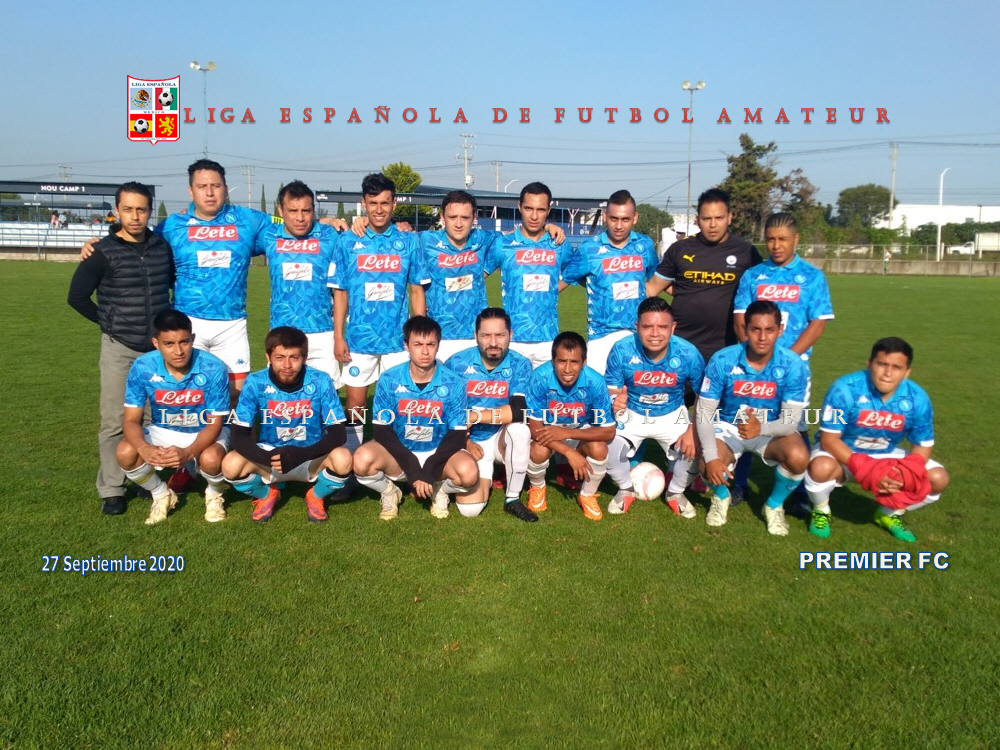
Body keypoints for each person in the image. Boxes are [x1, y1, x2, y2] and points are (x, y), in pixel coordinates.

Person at [648, 187, 762, 504]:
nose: (712, 224)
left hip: (725, 351)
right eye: (707, 218)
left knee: (733, 416)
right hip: (680, 349)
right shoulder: (680, 250)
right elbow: (653, 288)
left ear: (730, 217)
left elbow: (760, 296)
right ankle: (653, 466)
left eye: (719, 218)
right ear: (697, 218)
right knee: (664, 406)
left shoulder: (747, 253)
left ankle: (734, 482)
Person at [67, 181, 174, 515]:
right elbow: (76, 297)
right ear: (117, 211)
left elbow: (172, 283)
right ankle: (112, 488)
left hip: (155, 351)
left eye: (141, 209)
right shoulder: (102, 251)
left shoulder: (162, 247)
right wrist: (108, 323)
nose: (135, 216)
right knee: (115, 419)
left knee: (151, 418)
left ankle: (144, 478)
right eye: (128, 209)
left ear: (150, 210)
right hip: (119, 347)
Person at [733, 212, 834, 513]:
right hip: (754, 366)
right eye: (770, 239)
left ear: (796, 239)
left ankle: (799, 492)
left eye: (782, 239)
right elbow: (740, 319)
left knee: (795, 427)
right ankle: (738, 484)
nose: (776, 245)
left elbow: (817, 324)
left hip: (794, 369)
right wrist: (754, 356)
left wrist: (786, 359)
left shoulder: (812, 276)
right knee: (746, 420)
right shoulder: (753, 275)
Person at [804, 337, 948, 542]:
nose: (888, 373)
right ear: (870, 364)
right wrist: (869, 469)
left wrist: (904, 472)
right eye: (882, 364)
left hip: (886, 453)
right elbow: (829, 439)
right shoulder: (844, 389)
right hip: (844, 452)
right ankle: (821, 510)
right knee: (820, 467)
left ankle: (889, 513)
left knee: (938, 478)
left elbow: (923, 445)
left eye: (896, 367)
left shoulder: (918, 398)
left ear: (907, 372)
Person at [331, 173, 429, 452]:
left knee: (399, 401)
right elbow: (340, 292)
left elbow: (417, 291)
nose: (379, 209)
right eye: (373, 203)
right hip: (359, 339)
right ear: (363, 203)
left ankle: (396, 458)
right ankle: (352, 456)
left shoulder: (408, 241)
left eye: (385, 203)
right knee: (356, 404)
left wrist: (418, 337)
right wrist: (338, 336)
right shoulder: (348, 241)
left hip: (397, 341)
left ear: (394, 204)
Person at [694, 300, 810, 536]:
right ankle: (721, 497)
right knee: (706, 461)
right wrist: (712, 457)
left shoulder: (793, 365)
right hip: (728, 427)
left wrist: (762, 428)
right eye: (756, 329)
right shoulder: (723, 360)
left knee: (799, 457)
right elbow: (704, 413)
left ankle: (774, 506)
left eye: (769, 330)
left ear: (780, 330)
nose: (762, 337)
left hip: (771, 429)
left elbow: (790, 421)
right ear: (745, 329)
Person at [222, 326, 353, 523]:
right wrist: (267, 458)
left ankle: (315, 496)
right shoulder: (255, 382)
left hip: (310, 455)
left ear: (305, 358)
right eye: (280, 357)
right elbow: (239, 435)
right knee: (230, 465)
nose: (287, 365)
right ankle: (267, 494)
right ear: (268, 357)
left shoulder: (321, 380)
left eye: (294, 357)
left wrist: (301, 454)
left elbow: (338, 433)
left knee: (343, 459)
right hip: (270, 457)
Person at [353, 316, 479, 520]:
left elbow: (457, 434)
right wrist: (412, 467)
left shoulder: (454, 383)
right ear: (406, 345)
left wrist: (430, 468)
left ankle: (440, 490)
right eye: (418, 344)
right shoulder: (389, 379)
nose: (425, 351)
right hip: (399, 453)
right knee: (361, 459)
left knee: (469, 473)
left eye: (431, 344)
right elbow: (382, 430)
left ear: (438, 345)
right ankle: (390, 492)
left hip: (438, 453)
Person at [418, 190, 565, 362]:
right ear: (442, 218)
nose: (458, 224)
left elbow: (519, 233)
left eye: (464, 218)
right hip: (439, 335)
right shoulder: (424, 240)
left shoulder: (484, 238)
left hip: (477, 335)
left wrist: (547, 226)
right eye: (452, 217)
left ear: (474, 218)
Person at [116, 309, 230, 525]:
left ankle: (214, 495)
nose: (178, 351)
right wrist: (144, 448)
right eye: (169, 344)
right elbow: (130, 420)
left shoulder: (213, 366)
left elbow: (215, 423)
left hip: (204, 429)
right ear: (156, 343)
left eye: (184, 342)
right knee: (125, 452)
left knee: (211, 459)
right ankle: (161, 494)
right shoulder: (142, 366)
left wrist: (188, 453)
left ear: (192, 339)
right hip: (163, 430)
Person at [604, 298, 705, 517]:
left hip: (672, 414)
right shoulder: (622, 349)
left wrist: (692, 429)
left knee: (697, 448)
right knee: (605, 449)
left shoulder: (688, 353)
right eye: (647, 326)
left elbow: (703, 396)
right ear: (637, 327)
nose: (655, 333)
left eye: (662, 327)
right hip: (632, 412)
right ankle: (625, 489)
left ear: (673, 328)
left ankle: (675, 492)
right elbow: (612, 389)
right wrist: (615, 401)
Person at [445, 307, 537, 522]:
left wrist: (475, 416)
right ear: (475, 335)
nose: (493, 342)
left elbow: (519, 411)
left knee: (520, 430)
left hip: (501, 438)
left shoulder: (520, 364)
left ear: (510, 335)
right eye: (486, 335)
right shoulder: (456, 363)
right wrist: (464, 442)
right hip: (471, 441)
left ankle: (512, 498)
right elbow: (446, 411)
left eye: (500, 335)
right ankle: (438, 484)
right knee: (470, 510)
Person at [255, 180, 342, 386]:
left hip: (322, 331)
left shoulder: (330, 235)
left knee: (327, 393)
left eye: (306, 210)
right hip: (282, 332)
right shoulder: (269, 236)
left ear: (314, 211)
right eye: (293, 211)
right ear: (281, 211)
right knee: (282, 394)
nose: (300, 218)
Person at [562, 190, 659, 375]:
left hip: (638, 335)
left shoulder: (645, 245)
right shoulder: (589, 249)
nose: (619, 226)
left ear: (635, 217)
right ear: (605, 216)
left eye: (625, 219)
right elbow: (564, 281)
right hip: (601, 337)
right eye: (614, 219)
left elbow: (658, 281)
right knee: (600, 391)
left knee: (635, 390)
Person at [524, 332, 617, 521]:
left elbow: (609, 431)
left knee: (599, 448)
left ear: (584, 362)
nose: (567, 369)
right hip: (547, 433)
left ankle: (587, 495)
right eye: (561, 361)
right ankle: (538, 488)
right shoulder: (540, 377)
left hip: (578, 432)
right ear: (552, 360)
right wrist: (568, 452)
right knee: (538, 450)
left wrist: (566, 433)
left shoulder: (596, 382)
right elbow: (535, 429)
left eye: (574, 362)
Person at [484, 182, 575, 367]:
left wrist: (552, 289)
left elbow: (573, 272)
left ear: (548, 210)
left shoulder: (559, 244)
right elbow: (478, 278)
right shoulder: (503, 244)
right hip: (512, 339)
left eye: (540, 210)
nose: (534, 216)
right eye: (528, 208)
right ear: (519, 207)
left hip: (548, 339)